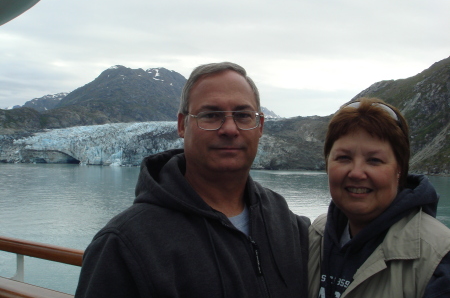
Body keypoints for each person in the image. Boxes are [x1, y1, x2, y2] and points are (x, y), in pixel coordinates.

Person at [75, 62, 310, 298]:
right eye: (210, 115)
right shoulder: (124, 245)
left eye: (243, 115)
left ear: (259, 126)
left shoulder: (288, 224)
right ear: (182, 125)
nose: (229, 128)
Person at [308, 97, 450, 298]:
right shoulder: (314, 236)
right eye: (344, 158)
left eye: (374, 160)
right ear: (327, 164)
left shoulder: (438, 259)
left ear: (399, 168)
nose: (357, 173)